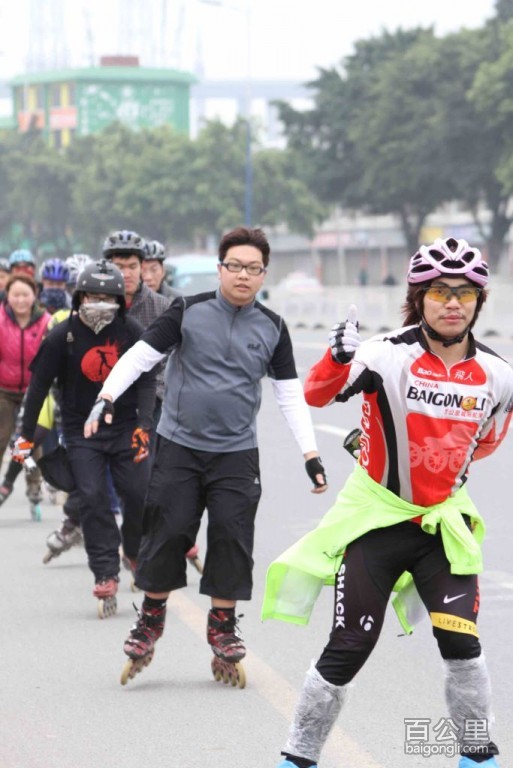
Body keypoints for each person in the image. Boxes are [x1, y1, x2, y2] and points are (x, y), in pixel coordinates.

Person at [263, 237, 511, 768]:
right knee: (350, 645)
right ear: (418, 298)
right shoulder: (382, 353)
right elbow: (316, 394)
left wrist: (433, 461)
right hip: (375, 524)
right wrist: (336, 358)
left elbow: (486, 442)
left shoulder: (499, 375)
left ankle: (479, 758)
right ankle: (297, 759)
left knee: (462, 646)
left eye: (465, 293)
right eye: (439, 292)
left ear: (479, 301)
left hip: (440, 528)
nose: (452, 303)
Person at [83, 226, 328, 679]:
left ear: (263, 274)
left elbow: (289, 392)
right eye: (235, 266)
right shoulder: (187, 310)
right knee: (167, 531)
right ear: (220, 269)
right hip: (179, 445)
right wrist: (107, 396)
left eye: (253, 268)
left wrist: (309, 454)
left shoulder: (273, 327)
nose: (243, 275)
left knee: (233, 537)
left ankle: (222, 628)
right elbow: (141, 355)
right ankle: (150, 620)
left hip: (237, 453)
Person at [11, 260, 156, 617]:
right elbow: (38, 387)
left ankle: (133, 550)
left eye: (108, 298)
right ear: (79, 298)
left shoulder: (130, 331)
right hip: (81, 432)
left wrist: (144, 425)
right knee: (91, 497)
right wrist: (25, 436)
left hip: (125, 427)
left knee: (138, 493)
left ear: (120, 301)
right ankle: (105, 572)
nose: (99, 304)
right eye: (92, 296)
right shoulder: (62, 336)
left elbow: (147, 378)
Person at [0, 274, 50, 518]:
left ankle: (34, 485)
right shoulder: (1, 320)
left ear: (34, 296)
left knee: (30, 440)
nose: (20, 300)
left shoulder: (45, 322)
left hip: (35, 390)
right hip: (4, 389)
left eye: (25, 295)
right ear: (7, 296)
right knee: (2, 437)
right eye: (15, 295)